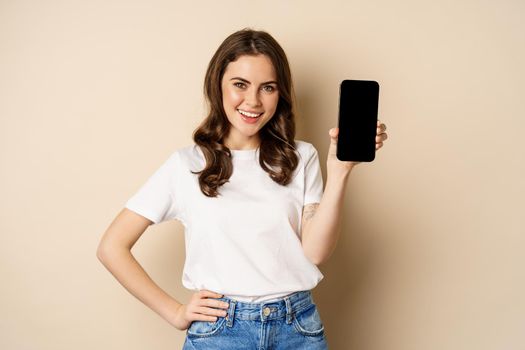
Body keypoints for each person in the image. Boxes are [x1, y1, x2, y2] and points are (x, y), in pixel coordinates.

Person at [97, 28, 388, 349]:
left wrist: (340, 171)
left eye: (268, 87)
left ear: (281, 94)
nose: (253, 101)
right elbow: (112, 247)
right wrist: (175, 312)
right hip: (220, 332)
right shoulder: (187, 164)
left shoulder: (301, 157)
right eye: (240, 85)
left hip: (297, 328)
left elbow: (315, 253)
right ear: (217, 84)